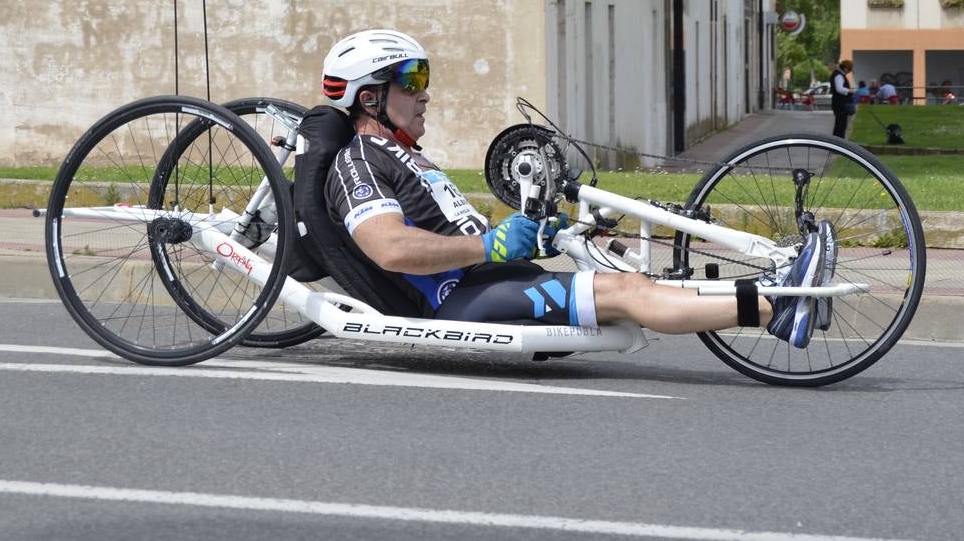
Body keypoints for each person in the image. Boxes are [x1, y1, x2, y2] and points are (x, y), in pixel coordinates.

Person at [319, 30, 831, 347]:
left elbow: (455, 233)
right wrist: (491, 245)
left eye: (424, 78)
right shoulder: (356, 162)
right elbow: (391, 248)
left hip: (490, 277)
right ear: (369, 97)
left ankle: (778, 292)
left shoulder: (405, 154)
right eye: (411, 80)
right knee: (628, 292)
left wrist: (529, 237)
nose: (425, 93)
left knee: (634, 276)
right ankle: (778, 306)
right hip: (461, 298)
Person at [829, 59, 854, 138]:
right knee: (840, 126)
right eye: (849, 70)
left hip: (839, 103)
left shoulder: (837, 74)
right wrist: (850, 90)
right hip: (840, 104)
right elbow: (839, 89)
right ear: (845, 69)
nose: (849, 72)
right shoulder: (839, 76)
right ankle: (838, 142)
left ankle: (837, 141)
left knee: (840, 125)